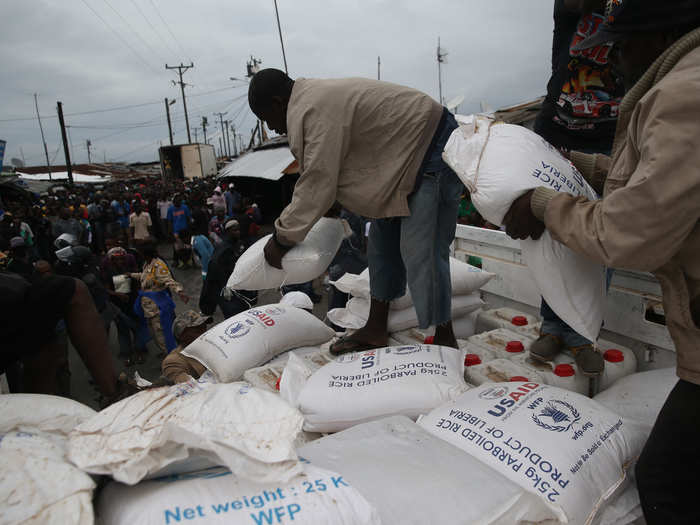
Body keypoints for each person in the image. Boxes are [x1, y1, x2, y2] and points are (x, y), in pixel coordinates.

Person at [503, 2, 700, 521]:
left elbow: (627, 236)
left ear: (659, 36)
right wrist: (582, 165)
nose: (612, 59)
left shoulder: (682, 94)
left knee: (666, 478)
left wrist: (543, 204)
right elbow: (659, 176)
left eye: (623, 43)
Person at [248, 68, 462, 354]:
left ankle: (445, 336)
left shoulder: (312, 109)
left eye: (266, 119)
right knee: (381, 247)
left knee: (421, 250)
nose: (271, 128)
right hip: (399, 162)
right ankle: (375, 328)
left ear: (277, 102)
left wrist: (281, 239)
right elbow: (336, 169)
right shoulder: (309, 104)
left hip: (430, 145)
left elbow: (316, 181)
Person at [527, 0, 625, 376]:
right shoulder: (574, 9)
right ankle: (552, 326)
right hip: (558, 128)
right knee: (554, 232)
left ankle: (585, 333)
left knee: (604, 235)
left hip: (611, 136)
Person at [131, 242, 189, 357]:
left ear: (146, 254)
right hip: (147, 306)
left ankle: (172, 358)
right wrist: (131, 275)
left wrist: (180, 291)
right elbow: (144, 276)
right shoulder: (147, 264)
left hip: (157, 306)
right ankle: (167, 353)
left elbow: (168, 280)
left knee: (161, 333)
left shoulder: (158, 265)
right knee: (154, 332)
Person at [199, 219, 255, 318]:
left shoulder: (240, 245)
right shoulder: (222, 249)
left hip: (240, 287)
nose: (238, 232)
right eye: (234, 230)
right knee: (233, 317)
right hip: (226, 290)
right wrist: (224, 286)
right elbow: (213, 273)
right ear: (228, 232)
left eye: (238, 229)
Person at [101, 246, 147, 365]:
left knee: (137, 326)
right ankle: (127, 354)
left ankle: (139, 351)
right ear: (112, 260)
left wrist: (139, 296)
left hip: (132, 301)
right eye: (117, 259)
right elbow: (106, 290)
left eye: (122, 259)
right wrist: (118, 294)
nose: (120, 262)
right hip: (117, 304)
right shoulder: (107, 271)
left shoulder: (130, 266)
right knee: (122, 329)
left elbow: (138, 282)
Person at [160, 310, 211, 383]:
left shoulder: (210, 345)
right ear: (182, 336)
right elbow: (188, 388)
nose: (204, 332)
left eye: (204, 327)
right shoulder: (173, 362)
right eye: (197, 330)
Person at [166, 195, 192, 267]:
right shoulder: (170, 209)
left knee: (186, 246)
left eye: (179, 202)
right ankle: (176, 260)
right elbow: (169, 221)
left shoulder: (185, 207)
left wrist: (189, 229)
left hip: (184, 230)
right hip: (176, 231)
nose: (177, 204)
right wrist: (170, 232)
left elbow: (188, 218)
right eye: (176, 202)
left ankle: (186, 261)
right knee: (176, 247)